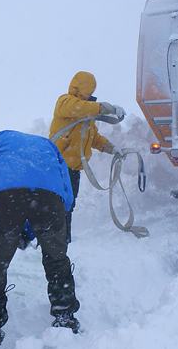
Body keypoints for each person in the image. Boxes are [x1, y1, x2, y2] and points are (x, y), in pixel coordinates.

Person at [0, 130, 79, 349]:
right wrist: (49, 224)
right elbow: (66, 186)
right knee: (56, 260)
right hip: (50, 198)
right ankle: (65, 318)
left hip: (5, 198)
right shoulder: (47, 145)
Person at [48, 71, 124, 242]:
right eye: (88, 89)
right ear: (78, 88)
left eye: (92, 90)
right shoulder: (65, 102)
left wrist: (112, 149)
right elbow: (79, 107)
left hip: (74, 169)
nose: (90, 94)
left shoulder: (86, 113)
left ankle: (64, 239)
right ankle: (51, 239)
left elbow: (94, 137)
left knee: (69, 204)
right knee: (56, 205)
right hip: (57, 166)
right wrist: (108, 108)